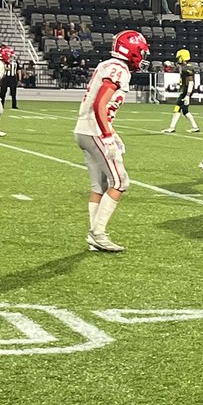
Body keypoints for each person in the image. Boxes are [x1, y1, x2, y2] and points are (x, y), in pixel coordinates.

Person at [75, 30, 149, 252]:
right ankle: (98, 233)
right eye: (141, 52)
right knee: (120, 182)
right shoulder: (119, 69)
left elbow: (101, 107)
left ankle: (93, 235)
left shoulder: (109, 65)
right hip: (94, 131)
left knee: (100, 186)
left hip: (84, 129)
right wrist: (107, 136)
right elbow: (100, 103)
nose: (143, 57)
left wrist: (113, 132)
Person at [162, 49, 200, 134]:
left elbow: (191, 82)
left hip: (187, 91)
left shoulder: (187, 68)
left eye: (179, 57)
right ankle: (195, 127)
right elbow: (176, 68)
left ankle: (172, 127)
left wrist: (187, 95)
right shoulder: (184, 67)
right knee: (184, 110)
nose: (178, 59)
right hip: (186, 91)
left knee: (177, 108)